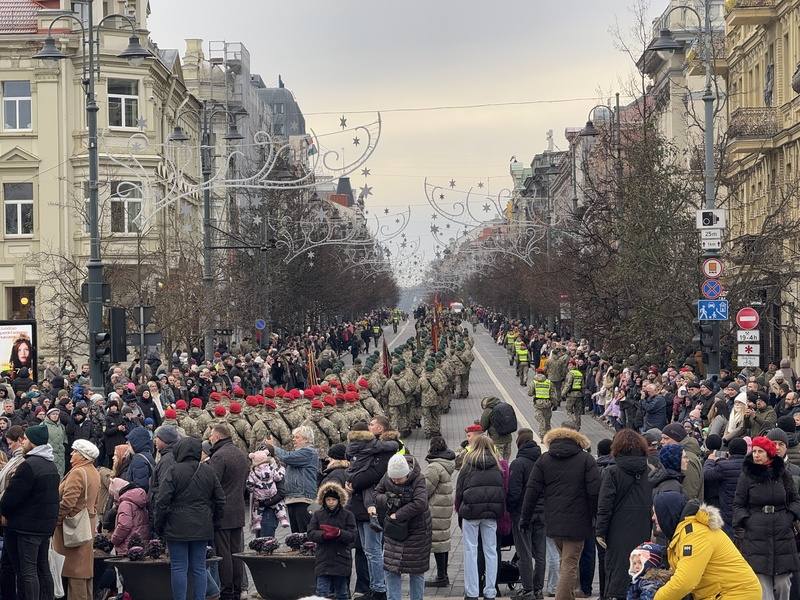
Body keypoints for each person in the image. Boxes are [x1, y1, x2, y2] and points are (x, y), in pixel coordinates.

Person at [520, 426, 600, 600]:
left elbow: (531, 491)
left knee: (566, 561)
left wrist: (525, 518)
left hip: (553, 520)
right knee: (570, 563)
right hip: (579, 521)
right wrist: (597, 518)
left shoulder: (544, 460)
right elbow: (595, 492)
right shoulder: (586, 460)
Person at [652, 491, 761, 600]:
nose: (653, 517)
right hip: (721, 594)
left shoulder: (695, 534)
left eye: (655, 512)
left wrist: (657, 598)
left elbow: (685, 581)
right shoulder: (683, 534)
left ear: (666, 513)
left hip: (737, 594)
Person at [155, 436, 226, 600]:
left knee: (179, 567)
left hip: (176, 525)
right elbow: (220, 499)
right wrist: (214, 521)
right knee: (199, 567)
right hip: (202, 524)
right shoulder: (208, 470)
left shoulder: (173, 470)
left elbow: (162, 500)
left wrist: (159, 525)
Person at [733, 435, 800, 600]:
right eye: (754, 451)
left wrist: (790, 516)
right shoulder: (746, 476)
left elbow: (795, 499)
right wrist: (747, 522)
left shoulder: (783, 474)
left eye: (760, 451)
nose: (756, 455)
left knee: (784, 583)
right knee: (763, 585)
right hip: (756, 535)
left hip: (782, 533)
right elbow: (738, 504)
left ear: (768, 453)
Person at [0, 422, 60, 600]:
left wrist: (3, 510)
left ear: (33, 442)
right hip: (43, 526)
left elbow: (12, 496)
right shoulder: (50, 465)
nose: (23, 441)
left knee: (27, 572)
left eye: (25, 439)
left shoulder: (29, 465)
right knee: (42, 568)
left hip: (26, 527)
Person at [346, 416, 400, 600]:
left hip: (374, 506)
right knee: (368, 550)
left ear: (381, 428)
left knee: (374, 550)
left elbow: (374, 475)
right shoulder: (370, 447)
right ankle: (373, 586)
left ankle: (379, 589)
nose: (368, 427)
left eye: (372, 424)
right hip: (360, 505)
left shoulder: (384, 450)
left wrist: (353, 483)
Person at [595, 429, 653, 600]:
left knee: (617, 568)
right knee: (640, 566)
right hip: (643, 527)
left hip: (617, 529)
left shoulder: (612, 472)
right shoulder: (649, 470)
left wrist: (600, 531)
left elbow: (605, 505)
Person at [375, 454, 432, 600]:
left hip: (417, 531)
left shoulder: (419, 479)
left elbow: (420, 503)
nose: (395, 481)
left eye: (399, 479)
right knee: (390, 569)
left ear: (407, 474)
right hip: (394, 531)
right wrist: (388, 499)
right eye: (393, 479)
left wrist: (398, 514)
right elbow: (376, 494)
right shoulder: (387, 476)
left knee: (416, 571)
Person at [455, 435, 505, 600]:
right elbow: (502, 490)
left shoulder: (467, 466)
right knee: (491, 551)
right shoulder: (498, 466)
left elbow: (459, 492)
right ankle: (490, 591)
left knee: (471, 551)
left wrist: (459, 511)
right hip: (491, 513)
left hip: (470, 512)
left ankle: (472, 592)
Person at [53, 439, 102, 600]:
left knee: (75, 572)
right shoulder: (94, 471)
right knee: (83, 571)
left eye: (75, 452)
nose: (71, 454)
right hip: (87, 524)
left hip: (73, 529)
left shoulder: (77, 472)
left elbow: (68, 502)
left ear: (83, 456)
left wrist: (57, 520)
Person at [207, 423, 250, 600]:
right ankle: (238, 588)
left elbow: (212, 484)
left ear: (217, 437)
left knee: (224, 554)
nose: (209, 438)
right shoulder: (241, 454)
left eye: (210, 435)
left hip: (222, 512)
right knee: (236, 552)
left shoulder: (219, 456)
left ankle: (227, 590)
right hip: (238, 510)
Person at [507, 429, 545, 600]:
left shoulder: (518, 463)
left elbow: (513, 493)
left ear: (519, 443)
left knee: (524, 552)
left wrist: (510, 509)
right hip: (542, 513)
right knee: (540, 553)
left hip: (523, 514)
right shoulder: (544, 461)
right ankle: (538, 590)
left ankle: (527, 589)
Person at [307, 482, 358, 600]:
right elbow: (310, 533)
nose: (331, 502)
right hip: (323, 559)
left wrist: (339, 533)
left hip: (341, 559)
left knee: (342, 592)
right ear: (324, 500)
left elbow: (352, 536)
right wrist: (323, 535)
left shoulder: (347, 515)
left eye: (333, 499)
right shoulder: (318, 515)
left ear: (339, 500)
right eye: (328, 499)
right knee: (321, 592)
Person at [272, 425, 319, 533]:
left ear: (306, 439)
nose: (294, 440)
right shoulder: (300, 452)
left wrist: (273, 447)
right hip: (293, 497)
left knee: (304, 532)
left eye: (297, 437)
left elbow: (286, 457)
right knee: (296, 533)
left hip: (302, 497)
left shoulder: (308, 452)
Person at [423, 436, 456, 588]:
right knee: (442, 541)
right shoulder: (446, 463)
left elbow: (425, 490)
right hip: (444, 506)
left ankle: (441, 576)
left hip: (435, 508)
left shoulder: (434, 467)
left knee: (437, 542)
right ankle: (443, 575)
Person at [108, 476, 150, 556]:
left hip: (127, 546)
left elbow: (124, 526)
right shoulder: (138, 499)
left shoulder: (125, 504)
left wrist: (114, 540)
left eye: (113, 494)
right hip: (142, 542)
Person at [124, 426, 154, 492]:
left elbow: (140, 487)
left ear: (136, 443)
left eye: (129, 444)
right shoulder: (148, 455)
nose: (128, 447)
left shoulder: (138, 460)